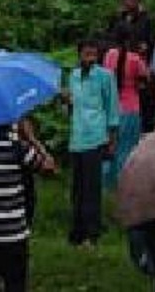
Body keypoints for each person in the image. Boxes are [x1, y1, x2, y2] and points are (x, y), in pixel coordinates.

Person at [0, 122, 55, 292]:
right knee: (15, 284)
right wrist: (35, 142)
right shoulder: (19, 149)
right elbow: (48, 168)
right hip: (13, 235)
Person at [65, 38, 119, 247]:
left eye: (93, 54)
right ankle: (77, 230)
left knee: (91, 188)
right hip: (77, 136)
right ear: (79, 55)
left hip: (95, 136)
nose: (90, 58)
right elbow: (73, 107)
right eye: (86, 54)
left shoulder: (105, 77)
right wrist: (67, 102)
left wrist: (112, 139)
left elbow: (112, 107)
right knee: (77, 188)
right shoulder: (74, 76)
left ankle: (92, 232)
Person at [102, 28, 149, 189]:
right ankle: (124, 184)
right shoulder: (135, 59)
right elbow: (144, 81)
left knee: (109, 147)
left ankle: (106, 183)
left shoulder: (109, 55)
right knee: (127, 148)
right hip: (130, 108)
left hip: (111, 108)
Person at [108, 0, 155, 129]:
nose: (129, 3)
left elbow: (152, 41)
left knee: (144, 101)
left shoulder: (147, 20)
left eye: (132, 0)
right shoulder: (119, 19)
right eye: (126, 0)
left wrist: (145, 47)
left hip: (140, 63)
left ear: (138, 0)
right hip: (120, 64)